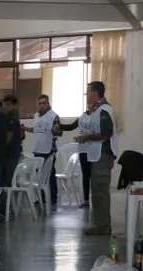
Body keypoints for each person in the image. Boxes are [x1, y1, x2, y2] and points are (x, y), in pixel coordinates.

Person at [72, 80, 119, 235]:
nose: (86, 95)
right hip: (96, 155)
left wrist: (86, 137)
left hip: (103, 155)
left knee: (101, 192)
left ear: (95, 92)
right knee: (96, 191)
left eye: (88, 91)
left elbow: (106, 133)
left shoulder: (104, 110)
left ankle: (103, 225)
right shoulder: (96, 110)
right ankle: (98, 223)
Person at [30, 94, 63, 207]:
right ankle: (41, 198)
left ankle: (53, 197)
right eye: (39, 103)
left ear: (48, 104)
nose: (41, 105)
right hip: (37, 150)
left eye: (43, 103)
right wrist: (25, 129)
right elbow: (36, 129)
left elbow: (58, 131)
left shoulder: (53, 116)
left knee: (50, 174)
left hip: (48, 150)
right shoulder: (36, 116)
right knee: (39, 176)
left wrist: (56, 129)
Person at [0, 95, 25, 192]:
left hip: (11, 152)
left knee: (9, 178)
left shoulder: (12, 118)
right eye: (4, 104)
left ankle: (10, 198)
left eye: (8, 104)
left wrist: (1, 147)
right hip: (12, 152)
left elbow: (9, 135)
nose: (5, 106)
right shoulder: (9, 116)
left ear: (14, 105)